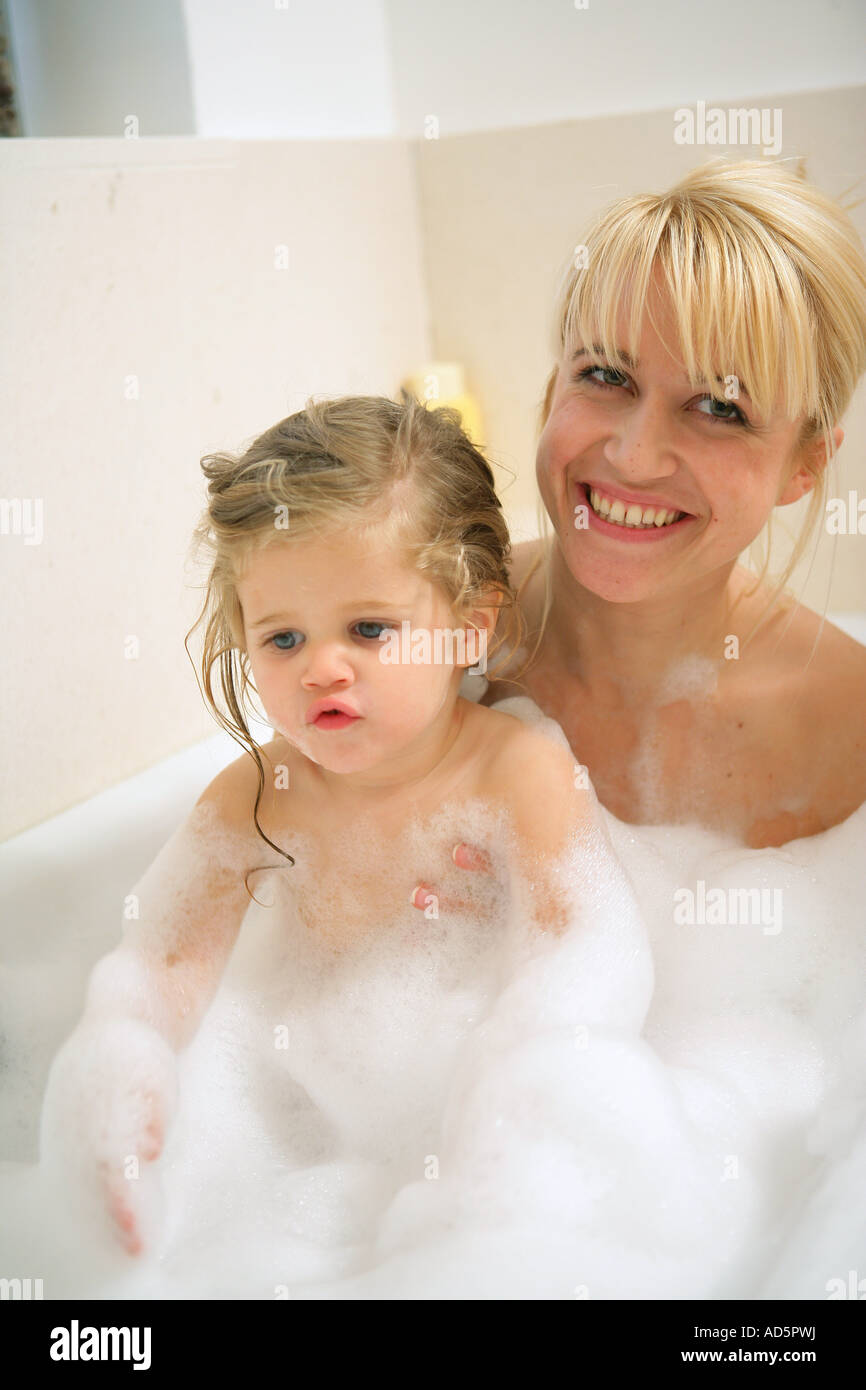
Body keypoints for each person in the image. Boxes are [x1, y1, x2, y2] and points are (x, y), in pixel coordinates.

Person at [37, 390, 634, 1257]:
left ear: (469, 626)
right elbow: (162, 963)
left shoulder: (518, 776)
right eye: (282, 639)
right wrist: (125, 1071)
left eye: (367, 628)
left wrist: (513, 1130)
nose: (321, 668)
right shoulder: (255, 797)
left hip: (476, 1145)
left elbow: (575, 969)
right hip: (289, 1150)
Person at [415, 157, 866, 921]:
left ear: (805, 464)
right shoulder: (421, 639)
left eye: (720, 408)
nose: (633, 454)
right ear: (554, 383)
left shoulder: (847, 728)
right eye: (606, 376)